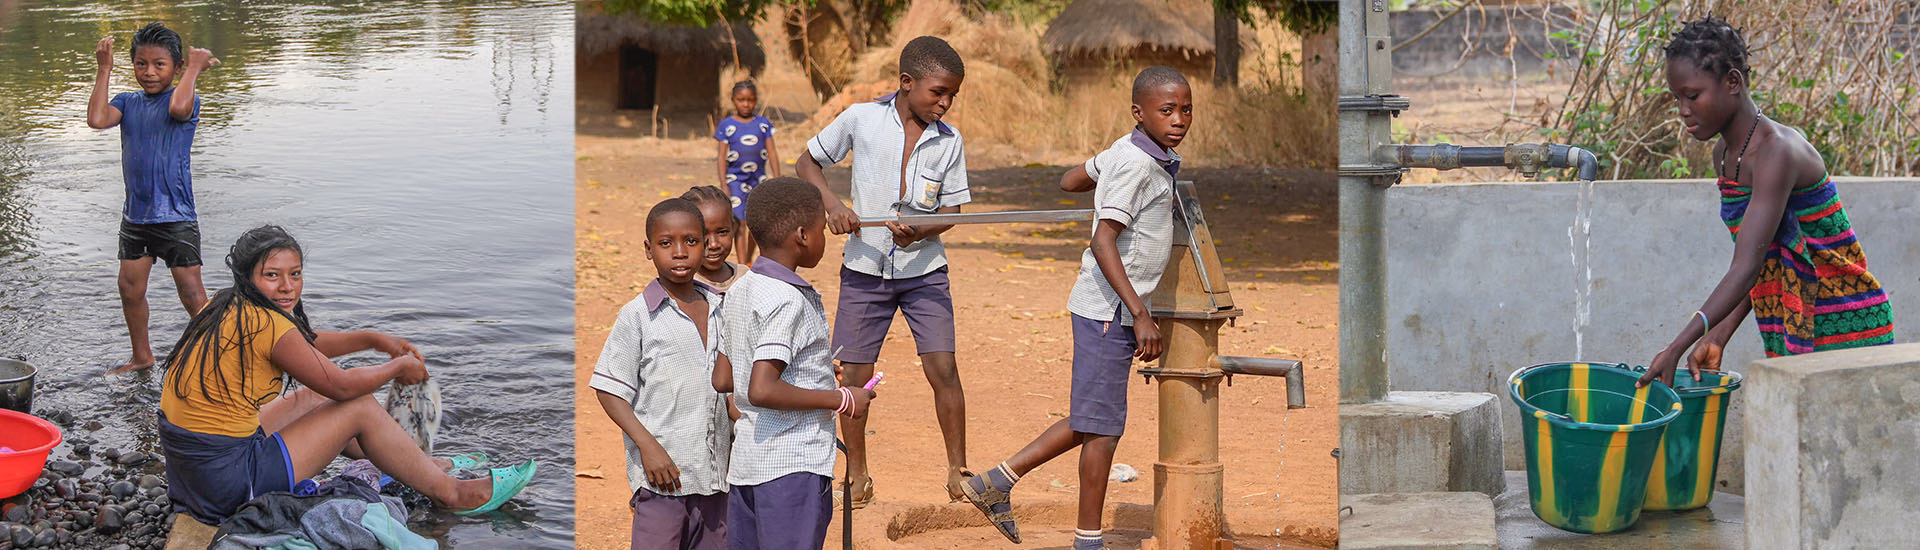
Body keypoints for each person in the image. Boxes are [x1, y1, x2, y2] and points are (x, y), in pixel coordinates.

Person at [157, 225, 535, 524]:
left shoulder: (227, 303)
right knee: (359, 408)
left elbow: (303, 346)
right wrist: (399, 367)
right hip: (229, 484)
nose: (287, 286)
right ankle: (452, 494)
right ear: (247, 276)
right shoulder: (265, 323)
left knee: (312, 398)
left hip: (193, 476)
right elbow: (340, 385)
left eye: (295, 274)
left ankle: (414, 467)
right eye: (272, 275)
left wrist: (373, 340)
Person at [961, 66, 1190, 548]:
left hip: (1108, 308)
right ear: (1139, 113)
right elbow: (1104, 240)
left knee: (1094, 420)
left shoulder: (1129, 152)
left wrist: (1100, 172)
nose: (1179, 119)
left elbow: (1070, 181)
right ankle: (1087, 540)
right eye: (1166, 110)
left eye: (1186, 109)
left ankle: (995, 482)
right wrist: (1141, 313)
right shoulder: (1135, 164)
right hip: (1110, 310)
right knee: (1101, 431)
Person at [1636, 17, 1895, 388]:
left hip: (1846, 324)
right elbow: (1764, 258)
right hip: (1792, 322)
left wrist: (1677, 345)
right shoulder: (1725, 154)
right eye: (1677, 98)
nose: (1683, 109)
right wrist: (1716, 335)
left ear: (1732, 82)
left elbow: (1746, 266)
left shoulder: (1777, 152)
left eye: (1692, 96)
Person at [794, 35, 972, 506]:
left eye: (952, 94)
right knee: (854, 376)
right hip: (864, 270)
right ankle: (857, 474)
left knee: (943, 368)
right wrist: (832, 204)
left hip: (925, 272)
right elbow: (806, 160)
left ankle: (959, 470)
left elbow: (952, 208)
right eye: (938, 92)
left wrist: (922, 230)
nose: (945, 102)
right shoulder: (861, 119)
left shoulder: (949, 141)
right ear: (907, 82)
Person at [710, 177, 874, 549]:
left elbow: (724, 378)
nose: (824, 238)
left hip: (748, 465)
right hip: (792, 466)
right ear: (802, 234)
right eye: (820, 229)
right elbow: (762, 387)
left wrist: (811, 370)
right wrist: (842, 399)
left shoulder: (739, 290)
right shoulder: (787, 299)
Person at [592, 199, 731, 549]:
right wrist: (648, 447)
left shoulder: (721, 309)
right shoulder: (638, 316)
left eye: (691, 241)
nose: (680, 253)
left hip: (718, 477)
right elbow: (610, 389)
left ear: (705, 244)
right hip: (663, 479)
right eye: (666, 243)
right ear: (648, 249)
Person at [86, 22, 215, 373]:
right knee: (129, 288)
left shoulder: (184, 100)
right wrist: (104, 69)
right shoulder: (128, 103)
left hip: (175, 215)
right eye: (141, 64)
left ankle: (217, 358)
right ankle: (142, 356)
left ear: (175, 67)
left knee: (190, 291)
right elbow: (97, 119)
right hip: (137, 217)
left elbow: (178, 110)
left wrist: (194, 68)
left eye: (159, 64)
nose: (149, 72)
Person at [714, 80, 781, 266]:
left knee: (755, 223)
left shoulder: (763, 125)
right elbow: (721, 157)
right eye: (741, 100)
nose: (746, 104)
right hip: (735, 180)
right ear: (733, 100)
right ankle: (743, 265)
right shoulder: (726, 125)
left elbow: (773, 152)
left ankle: (750, 261)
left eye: (750, 100)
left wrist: (777, 178)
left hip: (758, 180)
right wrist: (724, 184)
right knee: (740, 222)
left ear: (756, 101)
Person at [682, 185, 747, 293]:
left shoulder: (745, 278)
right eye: (703, 234)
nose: (713, 245)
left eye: (722, 232)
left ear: (733, 228)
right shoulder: (681, 285)